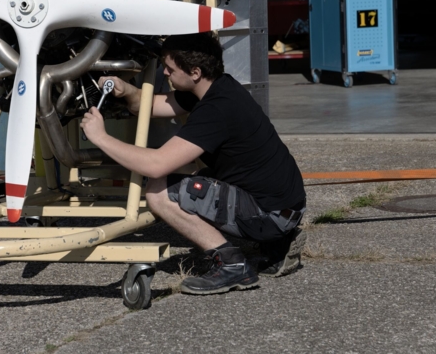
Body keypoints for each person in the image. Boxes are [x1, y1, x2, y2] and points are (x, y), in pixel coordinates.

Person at [81, 33, 307, 295]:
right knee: (197, 177)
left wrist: (101, 137)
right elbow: (150, 105)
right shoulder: (218, 87)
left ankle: (232, 265)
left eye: (170, 68)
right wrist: (127, 90)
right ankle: (278, 244)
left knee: (159, 191)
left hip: (271, 215)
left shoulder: (215, 110)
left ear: (196, 72)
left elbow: (156, 165)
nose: (165, 73)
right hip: (286, 205)